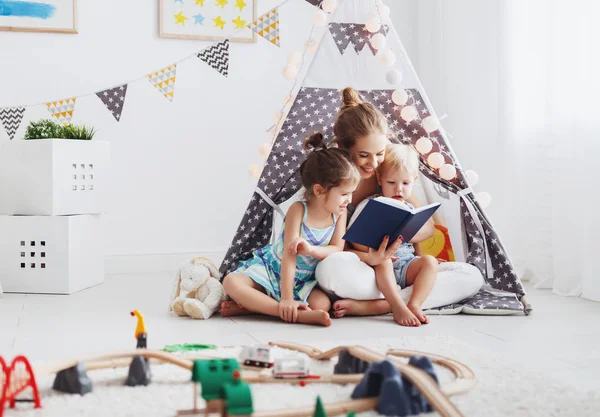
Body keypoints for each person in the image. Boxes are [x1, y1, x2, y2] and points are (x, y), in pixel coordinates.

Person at [316, 87, 483, 321]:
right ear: (345, 149)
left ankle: (381, 306)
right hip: (363, 270)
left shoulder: (387, 177)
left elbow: (426, 227)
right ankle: (395, 301)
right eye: (364, 155)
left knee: (471, 276)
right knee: (332, 270)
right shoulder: (333, 185)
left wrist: (401, 235)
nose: (373, 163)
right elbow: (329, 248)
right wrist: (371, 258)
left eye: (380, 153)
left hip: (398, 266)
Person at [221, 133, 361, 327]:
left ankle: (255, 308)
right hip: (276, 270)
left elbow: (337, 248)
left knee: (323, 303)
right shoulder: (299, 210)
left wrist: (312, 250)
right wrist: (286, 298)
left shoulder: (340, 213)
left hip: (304, 280)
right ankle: (282, 310)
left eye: (351, 193)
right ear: (319, 191)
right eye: (344, 194)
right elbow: (289, 257)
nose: (350, 200)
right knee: (231, 282)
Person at [347, 144, 437, 326]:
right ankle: (396, 305)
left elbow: (415, 244)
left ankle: (415, 304)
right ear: (379, 179)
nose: (399, 190)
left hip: (406, 266)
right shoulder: (370, 204)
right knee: (384, 260)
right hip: (380, 266)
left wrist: (420, 260)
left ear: (414, 180)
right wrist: (375, 249)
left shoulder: (410, 207)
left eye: (405, 183)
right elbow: (353, 240)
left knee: (430, 262)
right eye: (391, 183)